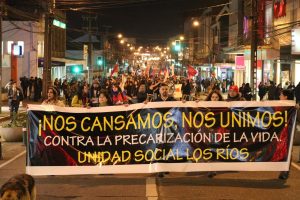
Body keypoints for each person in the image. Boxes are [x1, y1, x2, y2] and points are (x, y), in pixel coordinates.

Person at [205, 90, 224, 178]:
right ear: (210, 98)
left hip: (219, 130)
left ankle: (213, 168)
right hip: (208, 130)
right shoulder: (205, 106)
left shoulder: (224, 107)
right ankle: (210, 168)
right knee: (209, 148)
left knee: (215, 149)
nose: (214, 99)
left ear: (219, 98)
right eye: (213, 97)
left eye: (216, 97)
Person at [278, 89, 295, 180]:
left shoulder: (293, 108)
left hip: (288, 132)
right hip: (279, 133)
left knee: (287, 150)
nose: (279, 97)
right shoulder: (279, 106)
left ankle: (285, 171)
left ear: (286, 97)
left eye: (281, 95)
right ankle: (282, 169)